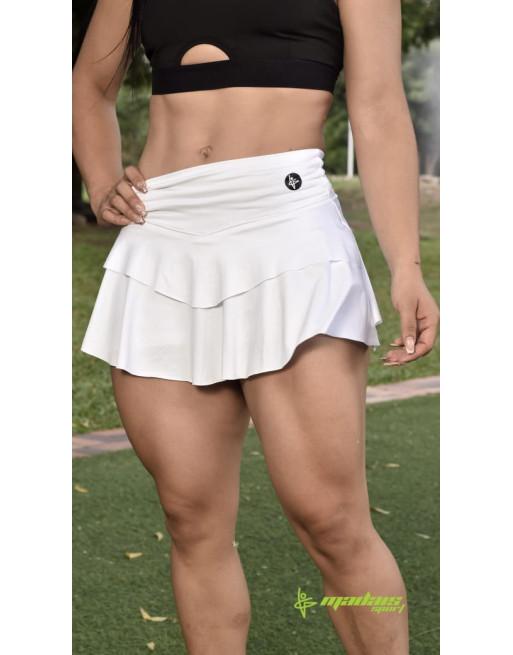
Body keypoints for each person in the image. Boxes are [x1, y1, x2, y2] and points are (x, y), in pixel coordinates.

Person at [72, 0, 440, 652]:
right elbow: (88, 85)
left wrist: (406, 267)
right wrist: (102, 182)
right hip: (162, 236)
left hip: (289, 233)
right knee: (190, 519)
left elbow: (379, 106)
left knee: (331, 520)